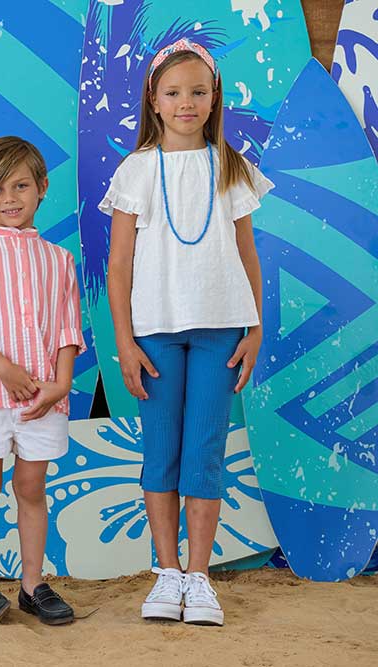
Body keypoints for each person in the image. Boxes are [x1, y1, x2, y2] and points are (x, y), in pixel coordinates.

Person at [102, 38, 270, 626]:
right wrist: (124, 341)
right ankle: (166, 571)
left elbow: (247, 253)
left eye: (198, 91)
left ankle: (200, 578)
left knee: (204, 451)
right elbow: (117, 264)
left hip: (222, 329)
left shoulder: (231, 166)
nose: (186, 103)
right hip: (154, 333)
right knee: (161, 452)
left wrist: (254, 326)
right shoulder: (137, 170)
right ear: (153, 99)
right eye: (173, 93)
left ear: (213, 96)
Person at [0, 136, 85, 626]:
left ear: (42, 188)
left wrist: (60, 383)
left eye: (21, 186)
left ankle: (32, 584)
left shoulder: (59, 260)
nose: (9, 199)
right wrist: (8, 371)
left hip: (45, 396)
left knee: (32, 485)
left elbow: (70, 328)